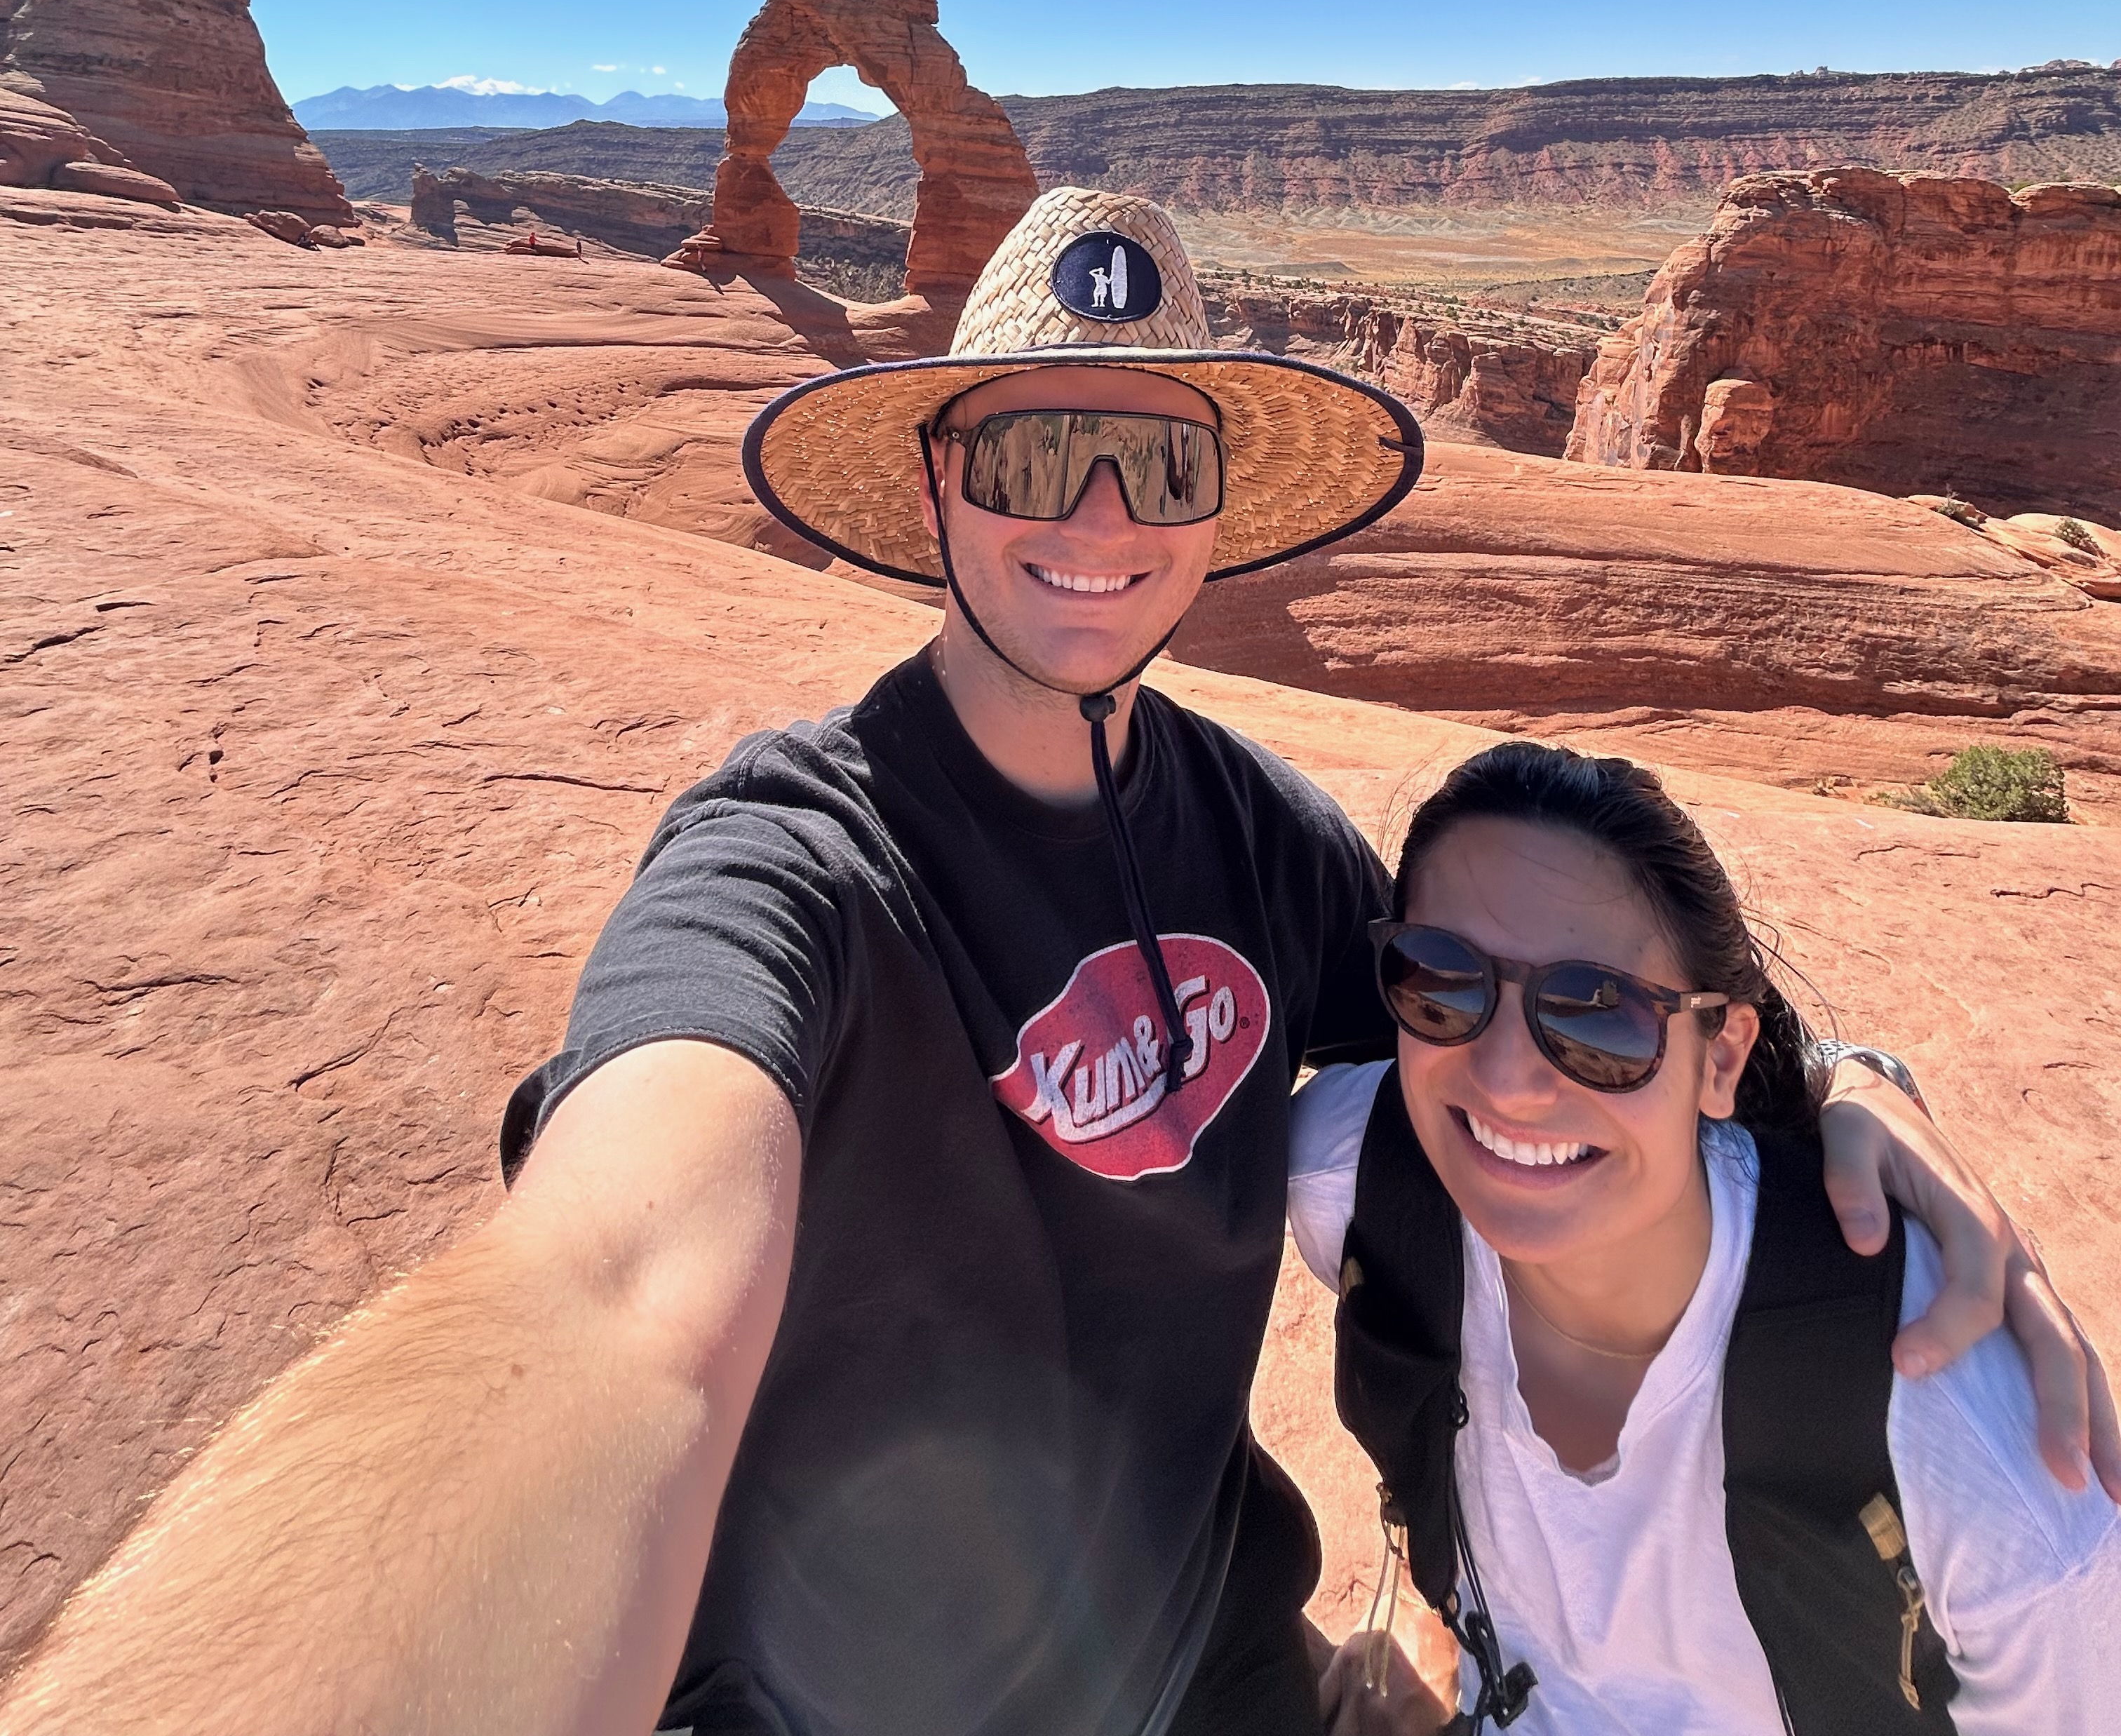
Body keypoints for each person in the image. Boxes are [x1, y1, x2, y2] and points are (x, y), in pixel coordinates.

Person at [4, 190, 2111, 1736]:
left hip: (1211, 1675)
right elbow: (616, 1295)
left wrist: (1846, 1086)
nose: (1097, 519)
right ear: (941, 478)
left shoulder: (1264, 841)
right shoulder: (794, 861)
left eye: (1159, 463)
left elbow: (1543, 1017)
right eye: (1032, 453)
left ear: (1214, 510)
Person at [1291, 741, 2121, 1735]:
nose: (1507, 1079)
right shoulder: (1354, 1180)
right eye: (1443, 982)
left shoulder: (1970, 1450)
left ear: (1720, 1056)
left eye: (1599, 1018)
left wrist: (1854, 1073)